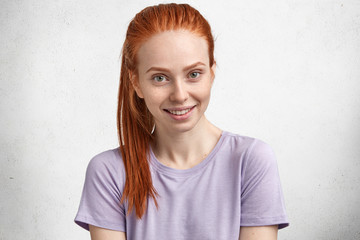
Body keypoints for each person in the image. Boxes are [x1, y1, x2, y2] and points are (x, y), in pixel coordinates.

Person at [74, 3, 289, 240]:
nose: (179, 95)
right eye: (160, 78)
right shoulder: (108, 172)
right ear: (136, 83)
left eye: (194, 74)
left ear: (212, 72)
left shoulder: (251, 160)